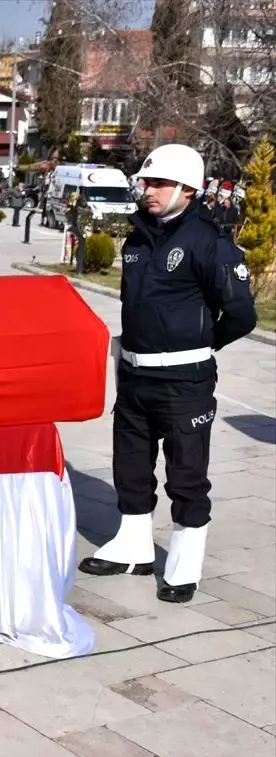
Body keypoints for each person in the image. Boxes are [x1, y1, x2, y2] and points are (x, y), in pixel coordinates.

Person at [78, 143, 257, 603]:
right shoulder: (138, 237)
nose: (147, 190)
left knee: (185, 474)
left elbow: (241, 314)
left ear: (187, 188)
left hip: (185, 382)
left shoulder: (210, 242)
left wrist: (200, 344)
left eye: (157, 183)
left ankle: (184, 558)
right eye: (145, 181)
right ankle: (133, 544)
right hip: (135, 375)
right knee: (131, 466)